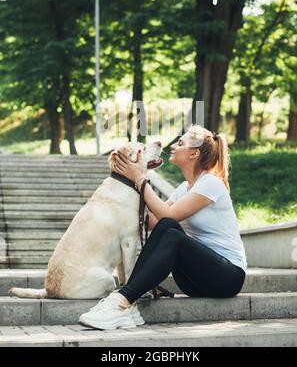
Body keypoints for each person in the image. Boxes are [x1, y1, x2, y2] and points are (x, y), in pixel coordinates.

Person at [79, 124, 247, 330]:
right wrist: (117, 195)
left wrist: (140, 179)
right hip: (194, 278)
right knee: (167, 228)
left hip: (227, 276)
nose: (173, 146)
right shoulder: (184, 188)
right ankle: (125, 302)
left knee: (171, 228)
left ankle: (122, 301)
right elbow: (152, 222)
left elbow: (167, 216)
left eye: (180, 143)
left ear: (193, 154)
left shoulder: (211, 183)